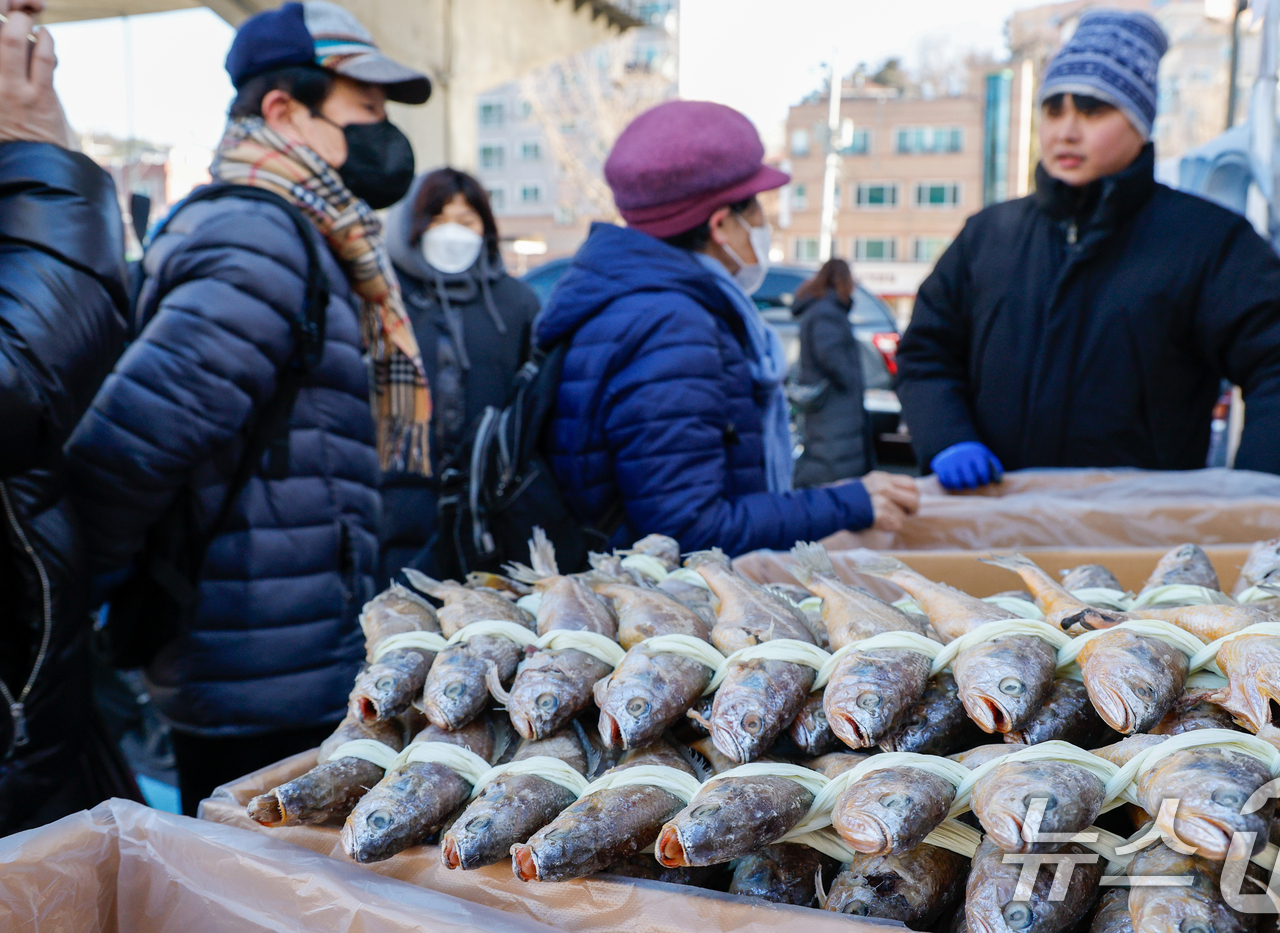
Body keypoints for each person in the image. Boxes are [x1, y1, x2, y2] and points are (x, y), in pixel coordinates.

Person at [65, 0, 433, 814]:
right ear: (282, 110)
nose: (384, 133)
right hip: (249, 661)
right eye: (365, 110)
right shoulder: (258, 237)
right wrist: (63, 607)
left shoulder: (311, 231)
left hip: (282, 644)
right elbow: (131, 447)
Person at [895, 11, 1280, 489]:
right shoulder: (988, 236)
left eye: (1092, 110)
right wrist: (947, 436)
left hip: (1137, 541)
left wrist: (1260, 498)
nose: (1065, 131)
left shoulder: (1207, 241)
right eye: (1053, 109)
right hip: (991, 528)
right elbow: (926, 351)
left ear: (1138, 120)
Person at [537, 100, 918, 555]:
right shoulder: (672, 328)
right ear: (721, 225)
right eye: (756, 209)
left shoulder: (637, 303)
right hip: (664, 608)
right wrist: (848, 503)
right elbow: (690, 530)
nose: (764, 224)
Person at [0, 0, 137, 835]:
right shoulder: (251, 240)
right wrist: (39, 158)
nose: (27, 18)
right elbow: (17, 390)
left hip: (43, 717)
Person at [380, 168, 540, 586]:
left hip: (490, 506)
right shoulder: (381, 297)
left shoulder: (515, 302)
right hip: (397, 502)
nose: (452, 233)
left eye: (467, 221)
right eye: (437, 219)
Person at [792, 258, 873, 487]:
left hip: (830, 400)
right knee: (833, 460)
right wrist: (850, 380)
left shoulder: (822, 308)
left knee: (831, 455)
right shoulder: (827, 311)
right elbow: (830, 354)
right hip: (835, 401)